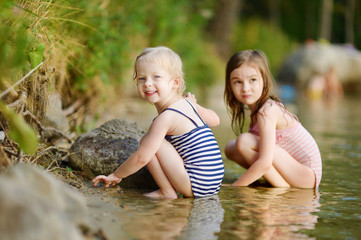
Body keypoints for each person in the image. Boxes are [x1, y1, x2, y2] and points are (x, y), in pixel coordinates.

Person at [92, 46, 224, 198]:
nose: (147, 83)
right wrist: (194, 104)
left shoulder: (165, 118)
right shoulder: (186, 104)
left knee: (149, 142)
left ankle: (166, 192)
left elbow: (142, 158)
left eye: (156, 77)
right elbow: (215, 120)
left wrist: (116, 175)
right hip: (213, 184)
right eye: (142, 78)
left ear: (175, 82)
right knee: (153, 140)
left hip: (196, 185)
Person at [224, 50, 322, 188]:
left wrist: (236, 186)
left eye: (253, 80)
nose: (245, 88)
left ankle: (282, 187)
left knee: (244, 141)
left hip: (307, 176)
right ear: (230, 85)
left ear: (264, 80)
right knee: (231, 148)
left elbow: (265, 162)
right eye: (238, 82)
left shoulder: (267, 111)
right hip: (294, 170)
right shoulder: (255, 111)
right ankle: (272, 181)